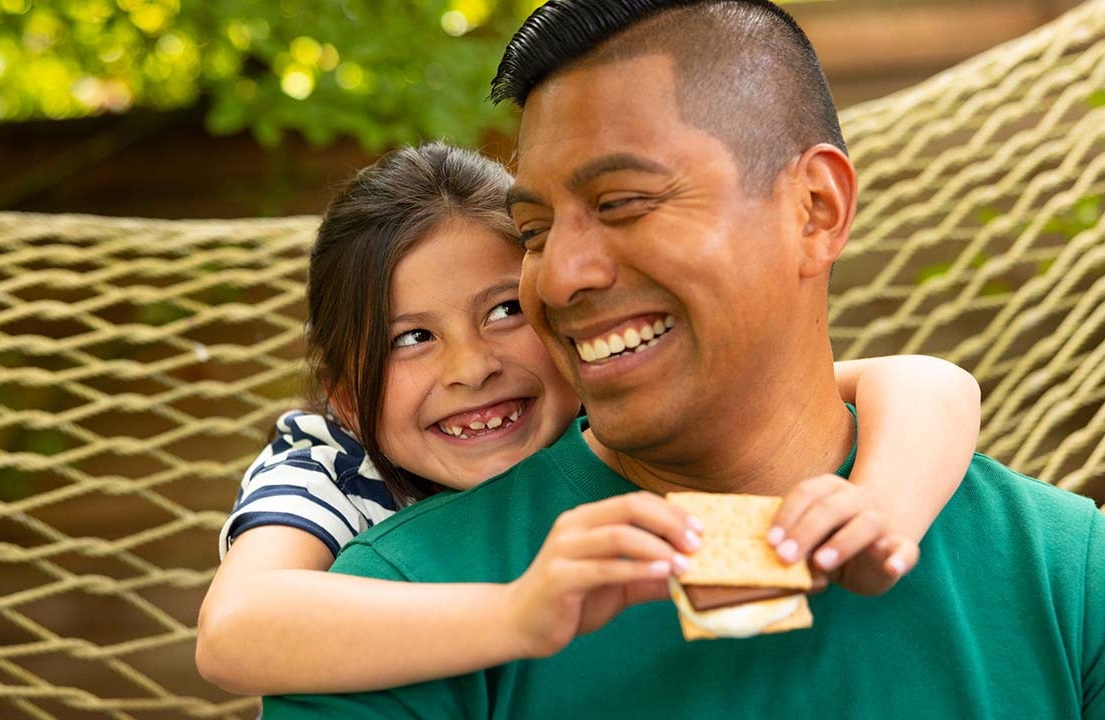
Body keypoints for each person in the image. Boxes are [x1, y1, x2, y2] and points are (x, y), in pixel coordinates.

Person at [261, 1, 1105, 717]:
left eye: (625, 203)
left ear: (816, 211)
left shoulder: (1072, 584)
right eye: (537, 229)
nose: (561, 277)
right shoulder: (392, 617)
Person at [197, 142, 984, 694]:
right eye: (412, 339)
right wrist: (519, 612)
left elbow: (928, 383)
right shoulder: (328, 469)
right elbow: (234, 632)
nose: (469, 368)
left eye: (505, 309)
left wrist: (881, 515)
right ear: (344, 398)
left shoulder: (608, 422)